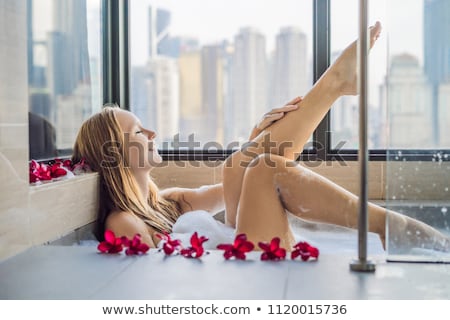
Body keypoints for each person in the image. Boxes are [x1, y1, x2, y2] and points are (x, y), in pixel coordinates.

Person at [72, 22, 449, 252]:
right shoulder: (122, 222)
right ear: (115, 154)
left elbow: (227, 185)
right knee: (265, 170)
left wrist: (255, 137)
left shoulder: (168, 202)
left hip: (239, 259)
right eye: (138, 131)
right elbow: (152, 282)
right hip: (237, 270)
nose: (152, 132)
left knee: (240, 166)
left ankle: (334, 86)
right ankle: (390, 225)